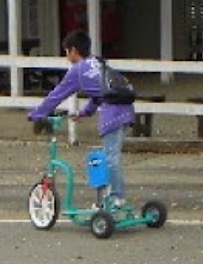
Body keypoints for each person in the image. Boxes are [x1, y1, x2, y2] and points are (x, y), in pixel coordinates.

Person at [27, 30, 135, 206]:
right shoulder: (98, 62)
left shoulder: (77, 71)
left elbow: (57, 95)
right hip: (126, 110)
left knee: (110, 157)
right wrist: (84, 112)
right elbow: (100, 93)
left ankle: (117, 196)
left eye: (66, 51)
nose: (66, 56)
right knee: (110, 155)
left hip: (112, 113)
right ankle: (108, 199)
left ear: (73, 50)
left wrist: (37, 114)